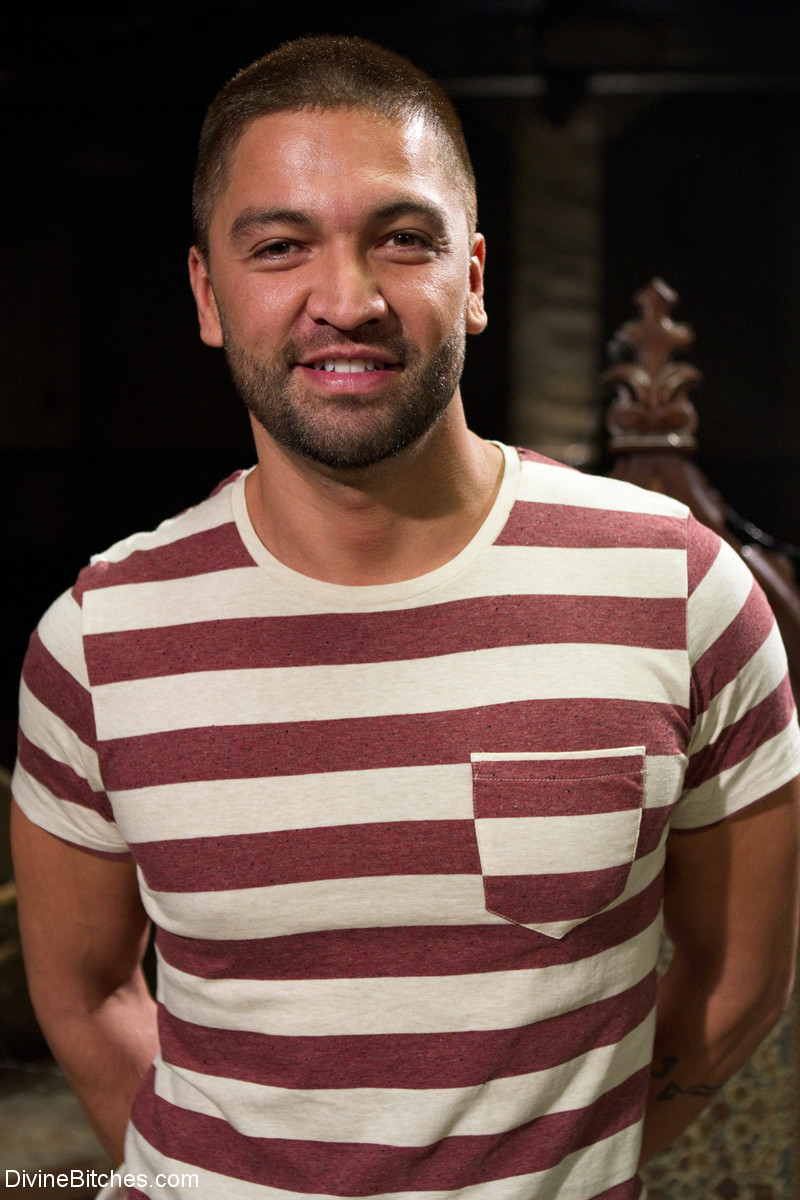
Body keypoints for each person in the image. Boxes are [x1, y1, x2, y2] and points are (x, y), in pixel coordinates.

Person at [10, 33, 800, 1200]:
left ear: (471, 277)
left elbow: (736, 981)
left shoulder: (677, 593)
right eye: (279, 247)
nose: (347, 301)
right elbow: (85, 998)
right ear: (208, 295)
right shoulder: (96, 638)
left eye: (401, 239)